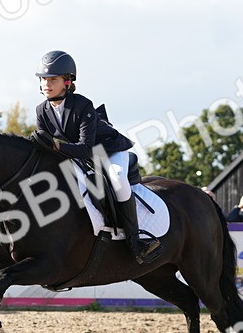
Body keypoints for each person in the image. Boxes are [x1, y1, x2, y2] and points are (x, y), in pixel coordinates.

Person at [29, 50, 162, 265]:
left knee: (118, 180)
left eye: (52, 79)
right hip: (76, 155)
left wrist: (55, 145)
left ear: (68, 81)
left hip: (107, 150)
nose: (46, 84)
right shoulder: (41, 110)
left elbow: (85, 149)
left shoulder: (83, 106)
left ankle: (136, 242)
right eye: (43, 79)